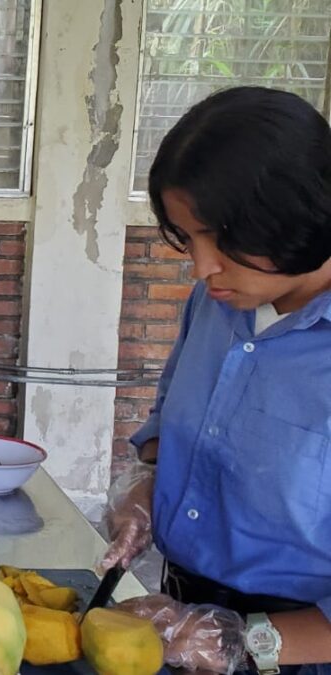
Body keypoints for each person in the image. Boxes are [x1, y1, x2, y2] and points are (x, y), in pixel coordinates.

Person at [101, 87, 331, 673]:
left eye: (223, 238)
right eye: (188, 238)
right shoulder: (218, 301)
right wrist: (145, 489)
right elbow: (175, 422)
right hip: (179, 617)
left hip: (297, 650)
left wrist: (241, 642)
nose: (202, 267)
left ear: (299, 213)